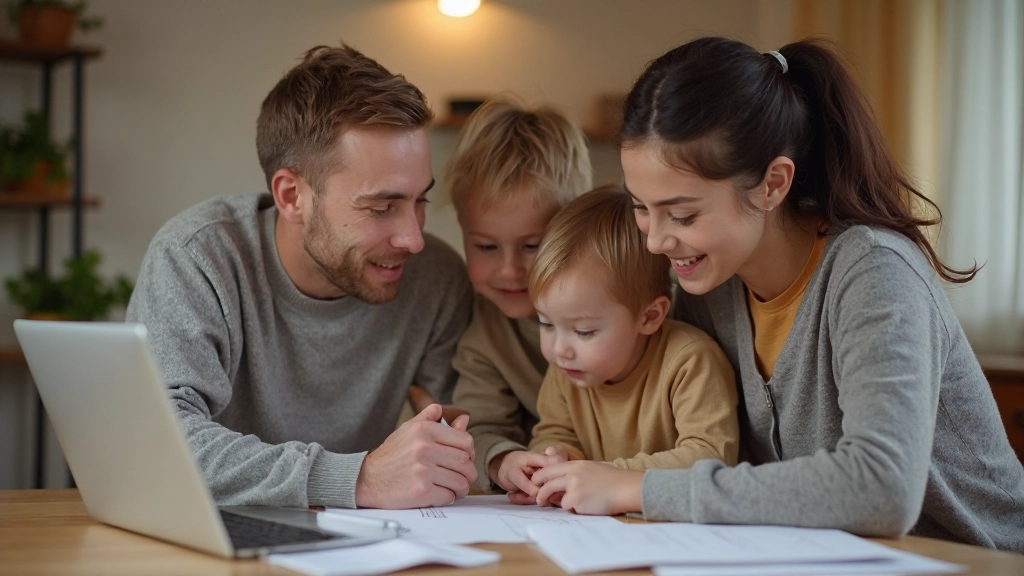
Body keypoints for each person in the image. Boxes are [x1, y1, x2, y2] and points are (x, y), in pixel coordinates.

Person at [530, 37, 1024, 552]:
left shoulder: (874, 272)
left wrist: (637, 486)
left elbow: (882, 488)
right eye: (641, 207)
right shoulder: (709, 285)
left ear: (772, 185)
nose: (654, 241)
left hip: (972, 559)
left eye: (682, 215)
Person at [126, 44, 477, 510]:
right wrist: (357, 479)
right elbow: (157, 439)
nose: (413, 238)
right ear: (292, 196)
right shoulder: (198, 258)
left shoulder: (436, 276)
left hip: (360, 545)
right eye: (381, 207)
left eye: (420, 201)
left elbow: (468, 423)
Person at [496, 186, 739, 505]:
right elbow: (555, 432)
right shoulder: (568, 368)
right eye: (546, 324)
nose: (560, 348)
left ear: (649, 316)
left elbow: (711, 457)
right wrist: (552, 461)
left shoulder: (690, 361)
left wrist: (606, 475)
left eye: (583, 331)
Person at [412, 97, 592, 489]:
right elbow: (480, 428)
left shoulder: (630, 303)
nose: (510, 271)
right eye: (486, 247)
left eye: (532, 246)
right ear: (462, 230)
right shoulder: (484, 336)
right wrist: (506, 460)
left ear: (571, 228)